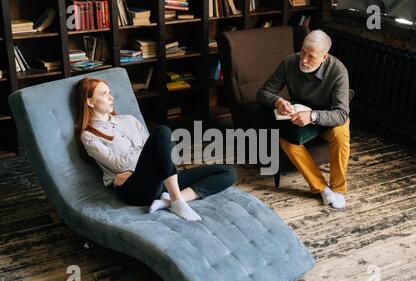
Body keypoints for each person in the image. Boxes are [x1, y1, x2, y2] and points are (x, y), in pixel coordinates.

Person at [74, 78, 237, 221]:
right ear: (90, 102)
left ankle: (171, 201)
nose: (111, 98)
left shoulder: (129, 120)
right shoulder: (88, 136)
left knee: (228, 172)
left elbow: (154, 152)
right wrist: (134, 168)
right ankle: (176, 199)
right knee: (162, 131)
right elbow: (118, 165)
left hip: (161, 180)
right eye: (103, 94)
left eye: (110, 92)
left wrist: (132, 167)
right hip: (134, 189)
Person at [257, 29, 350, 209]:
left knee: (341, 132)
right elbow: (263, 93)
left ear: (324, 58)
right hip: (299, 116)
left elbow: (341, 113)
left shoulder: (338, 71)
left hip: (328, 117)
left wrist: (313, 116)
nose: (304, 59)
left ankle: (338, 189)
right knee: (286, 140)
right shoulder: (289, 62)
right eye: (303, 52)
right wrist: (277, 102)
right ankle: (322, 188)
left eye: (311, 56)